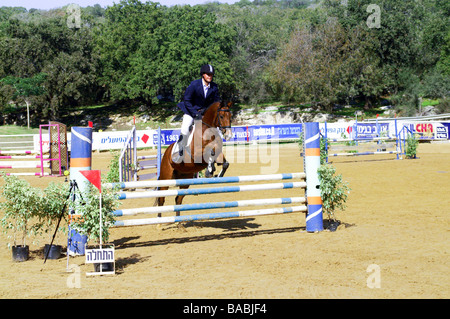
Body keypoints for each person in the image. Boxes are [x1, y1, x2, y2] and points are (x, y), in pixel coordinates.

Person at [174, 64, 221, 161]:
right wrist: (195, 113)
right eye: (208, 74)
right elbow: (187, 100)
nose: (210, 76)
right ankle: (180, 151)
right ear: (203, 74)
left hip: (204, 113)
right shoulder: (194, 85)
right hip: (191, 111)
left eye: (211, 74)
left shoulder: (214, 87)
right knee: (185, 128)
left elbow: (216, 102)